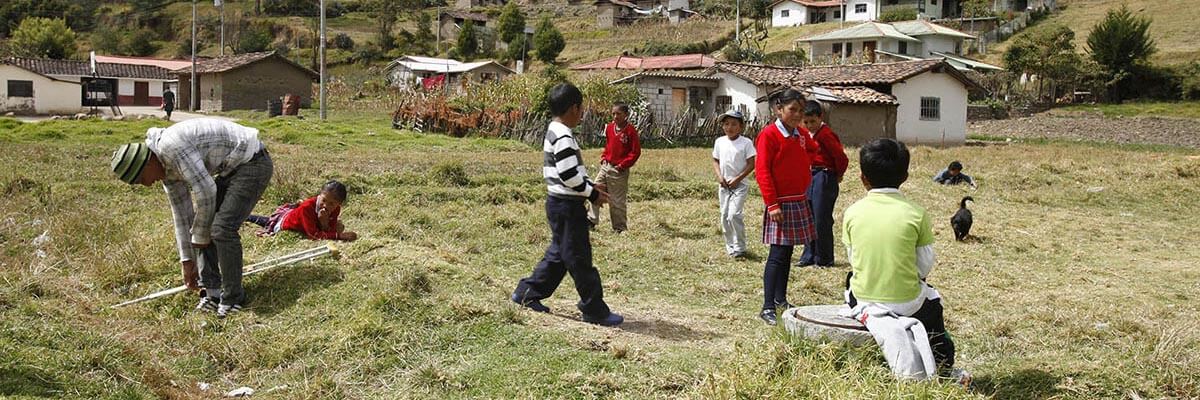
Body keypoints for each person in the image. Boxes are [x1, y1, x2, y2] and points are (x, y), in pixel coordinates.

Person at [110, 118, 273, 318]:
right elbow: (182, 215)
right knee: (203, 226)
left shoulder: (171, 147)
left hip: (253, 162)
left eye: (142, 179)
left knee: (221, 228)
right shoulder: (166, 171)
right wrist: (186, 261)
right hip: (230, 169)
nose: (147, 185)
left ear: (147, 162)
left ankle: (233, 298)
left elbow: (206, 191)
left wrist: (200, 236)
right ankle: (212, 293)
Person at [842, 138, 968, 384]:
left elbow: (853, 258)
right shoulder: (917, 213)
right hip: (907, 302)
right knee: (933, 305)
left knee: (851, 281)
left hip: (865, 297)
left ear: (862, 178)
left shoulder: (852, 212)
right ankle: (942, 365)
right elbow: (923, 266)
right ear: (906, 176)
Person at [512, 83, 623, 327]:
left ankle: (526, 293)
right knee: (580, 258)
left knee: (559, 255)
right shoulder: (563, 135)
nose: (582, 113)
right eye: (581, 109)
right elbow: (569, 175)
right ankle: (594, 308)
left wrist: (590, 188)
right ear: (574, 108)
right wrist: (591, 193)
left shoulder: (554, 129)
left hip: (559, 203)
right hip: (566, 205)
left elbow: (570, 174)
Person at [754, 89, 820, 325]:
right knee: (777, 255)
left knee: (788, 252)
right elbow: (762, 172)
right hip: (780, 203)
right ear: (778, 109)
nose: (797, 114)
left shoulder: (800, 135)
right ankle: (767, 306)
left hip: (797, 200)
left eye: (801, 111)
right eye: (793, 109)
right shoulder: (769, 135)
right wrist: (772, 203)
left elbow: (812, 150)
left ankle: (781, 299)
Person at [797, 100, 849, 269]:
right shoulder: (805, 135)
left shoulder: (826, 135)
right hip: (809, 175)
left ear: (821, 117)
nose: (809, 125)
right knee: (808, 216)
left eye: (813, 121)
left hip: (824, 175)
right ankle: (809, 255)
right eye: (806, 122)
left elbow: (841, 158)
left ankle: (824, 257)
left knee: (821, 218)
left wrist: (838, 174)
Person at [588, 103, 641, 233]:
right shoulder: (610, 128)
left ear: (626, 115)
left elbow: (635, 152)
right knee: (594, 189)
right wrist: (604, 157)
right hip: (606, 166)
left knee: (616, 200)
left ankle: (619, 228)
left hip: (619, 170)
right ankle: (591, 220)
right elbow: (609, 145)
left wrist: (622, 165)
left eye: (619, 114)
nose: (615, 116)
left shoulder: (630, 131)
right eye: (613, 113)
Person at [247, 180, 358, 241]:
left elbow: (331, 229)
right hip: (287, 224)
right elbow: (313, 235)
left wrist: (323, 222)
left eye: (331, 204)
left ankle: (247, 216)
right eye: (324, 200)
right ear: (320, 194)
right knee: (261, 220)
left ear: (339, 204)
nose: (326, 205)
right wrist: (340, 236)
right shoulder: (307, 207)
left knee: (339, 225)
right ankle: (245, 217)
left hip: (305, 222)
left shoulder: (336, 208)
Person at [711, 110, 756, 258]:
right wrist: (719, 177)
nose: (729, 127)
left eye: (734, 124)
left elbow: (751, 164)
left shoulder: (746, 143)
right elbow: (715, 160)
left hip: (740, 185)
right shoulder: (720, 142)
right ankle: (730, 246)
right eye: (726, 124)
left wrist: (738, 178)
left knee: (734, 214)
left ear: (741, 127)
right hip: (724, 186)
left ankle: (740, 246)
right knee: (724, 215)